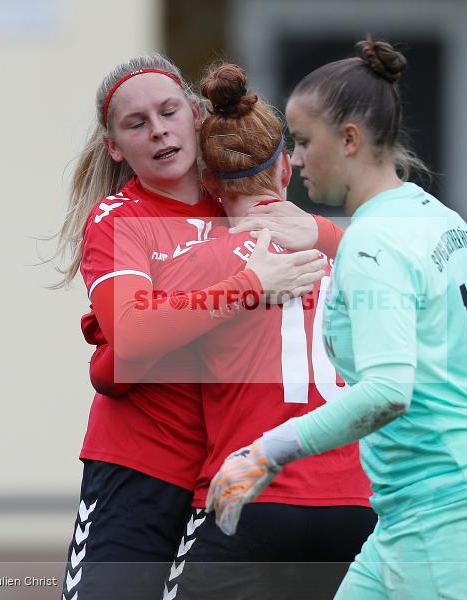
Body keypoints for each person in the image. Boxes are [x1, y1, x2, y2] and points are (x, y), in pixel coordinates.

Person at [208, 37, 467, 599]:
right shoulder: (436, 216)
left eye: (306, 142)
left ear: (351, 140)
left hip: (449, 522)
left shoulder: (371, 242)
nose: (299, 160)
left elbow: (388, 390)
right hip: (416, 517)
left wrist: (265, 452)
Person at [89, 62, 377, 600]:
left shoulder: (215, 238)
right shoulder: (120, 218)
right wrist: (307, 246)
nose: (157, 129)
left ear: (198, 120)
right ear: (287, 168)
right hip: (151, 464)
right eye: (137, 122)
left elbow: (113, 362)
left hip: (238, 482)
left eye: (169, 111)